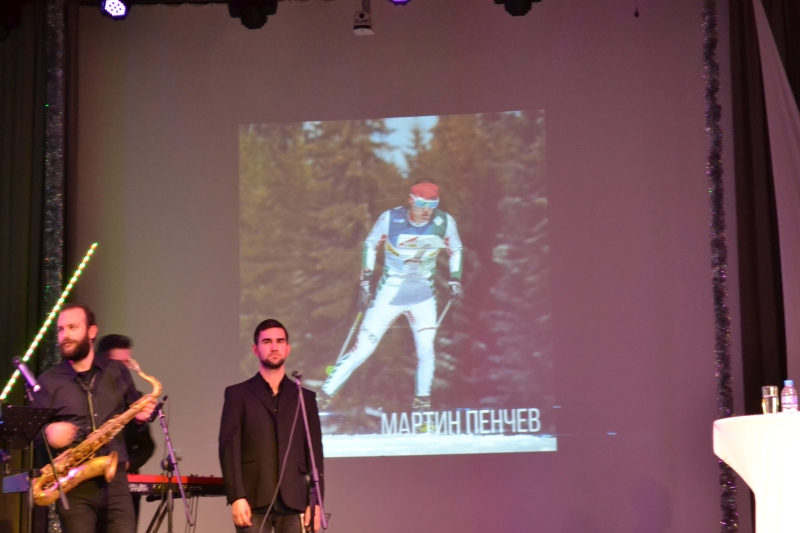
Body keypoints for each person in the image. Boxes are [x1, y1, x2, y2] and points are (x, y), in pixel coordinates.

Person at [318, 178, 463, 411]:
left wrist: (455, 279)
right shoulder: (390, 219)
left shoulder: (444, 222)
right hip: (390, 294)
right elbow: (370, 244)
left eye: (432, 204)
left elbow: (456, 249)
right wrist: (365, 282)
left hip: (423, 297)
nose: (426, 210)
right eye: (421, 204)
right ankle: (322, 397)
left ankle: (422, 406)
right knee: (362, 350)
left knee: (426, 350)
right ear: (411, 201)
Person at [33, 303, 157, 533]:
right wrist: (48, 432)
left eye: (72, 327)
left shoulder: (117, 371)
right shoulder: (48, 381)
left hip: (115, 481)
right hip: (74, 484)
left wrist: (140, 419)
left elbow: (134, 426)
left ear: (91, 331)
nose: (65, 335)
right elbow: (32, 435)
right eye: (60, 329)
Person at [219, 319, 324, 533]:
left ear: (288, 348)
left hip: (295, 500)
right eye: (267, 341)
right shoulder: (238, 394)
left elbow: (315, 454)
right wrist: (236, 496)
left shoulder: (304, 397)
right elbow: (229, 450)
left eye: (280, 341)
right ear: (255, 349)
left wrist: (316, 502)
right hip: (253, 499)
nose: (274, 347)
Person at [97, 334, 156, 526]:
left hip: (125, 486)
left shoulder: (135, 399)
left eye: (128, 363)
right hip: (92, 486)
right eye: (121, 363)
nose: (128, 368)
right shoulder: (88, 397)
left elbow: (147, 446)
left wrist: (128, 464)